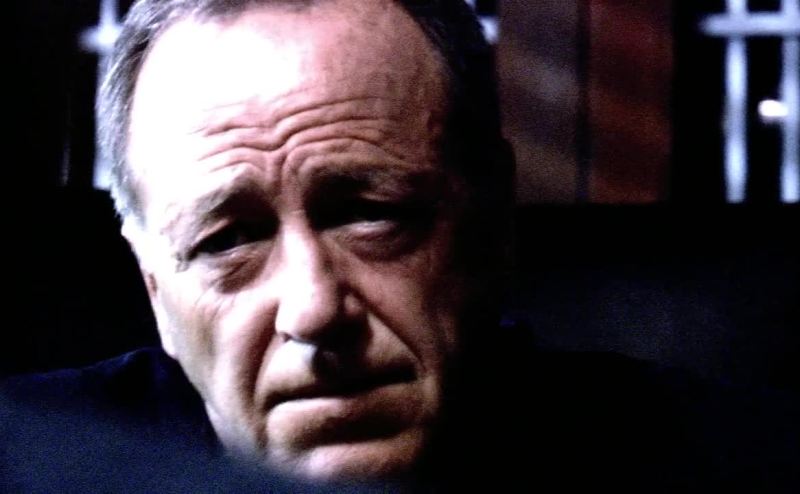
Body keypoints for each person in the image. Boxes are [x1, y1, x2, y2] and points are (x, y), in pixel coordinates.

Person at [2, 0, 798, 491]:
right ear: (154, 289)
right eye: (229, 239)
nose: (313, 311)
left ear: (490, 223)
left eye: (368, 214)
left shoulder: (743, 463)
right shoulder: (29, 460)